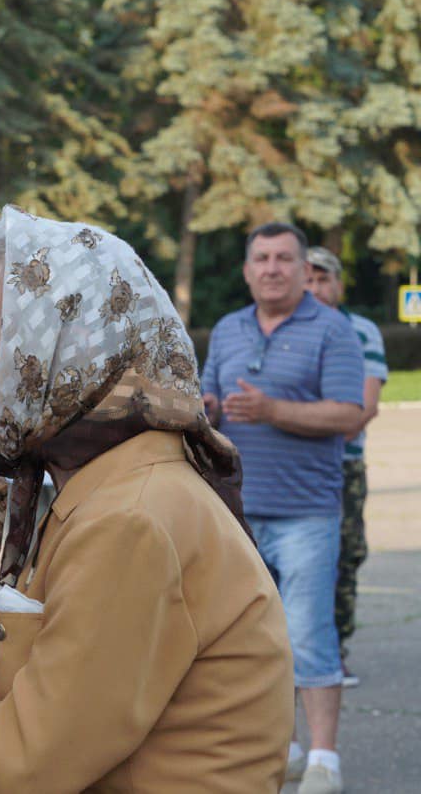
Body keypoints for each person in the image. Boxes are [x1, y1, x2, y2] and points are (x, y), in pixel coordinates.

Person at [0, 206, 294, 793]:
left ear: (70, 349)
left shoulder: (127, 522)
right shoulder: (111, 489)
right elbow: (41, 718)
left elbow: (26, 771)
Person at [201, 222, 364, 794]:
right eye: (262, 258)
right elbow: (209, 399)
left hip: (306, 514)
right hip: (236, 515)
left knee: (310, 637)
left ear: (302, 269)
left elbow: (349, 414)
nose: (272, 268)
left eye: (284, 258)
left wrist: (273, 411)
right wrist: (209, 409)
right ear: (247, 270)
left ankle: (324, 759)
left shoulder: (333, 329)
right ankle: (284, 748)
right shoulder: (228, 328)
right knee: (254, 642)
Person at [306, 246, 388, 689]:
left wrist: (301, 427)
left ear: (338, 284)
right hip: (290, 469)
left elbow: (363, 408)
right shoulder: (276, 328)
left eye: (324, 280)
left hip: (342, 465)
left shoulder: (361, 331)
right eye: (308, 280)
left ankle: (335, 650)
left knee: (345, 555)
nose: (316, 289)